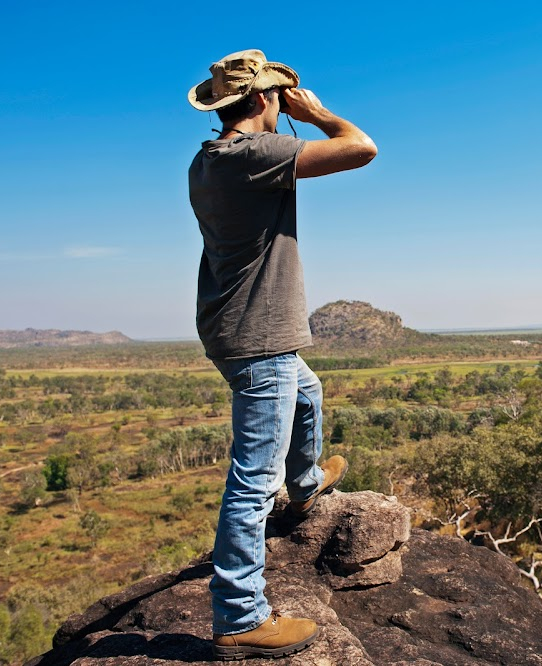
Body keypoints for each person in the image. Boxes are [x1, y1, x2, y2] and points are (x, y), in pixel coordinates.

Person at [186, 49, 377, 660]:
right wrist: (317, 112)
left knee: (309, 391)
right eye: (278, 97)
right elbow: (362, 147)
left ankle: (305, 481)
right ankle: (240, 617)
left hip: (236, 327)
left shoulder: (208, 159)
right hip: (259, 333)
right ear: (266, 99)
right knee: (251, 479)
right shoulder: (254, 155)